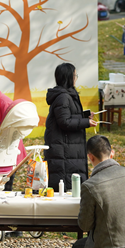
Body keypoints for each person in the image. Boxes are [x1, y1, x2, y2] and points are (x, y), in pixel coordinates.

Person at [44, 63, 97, 191]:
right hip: (63, 149)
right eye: (75, 75)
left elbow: (69, 115)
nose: (76, 78)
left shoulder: (67, 95)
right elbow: (64, 122)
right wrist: (85, 122)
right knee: (65, 183)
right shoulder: (63, 97)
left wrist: (84, 116)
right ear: (68, 77)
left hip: (69, 147)